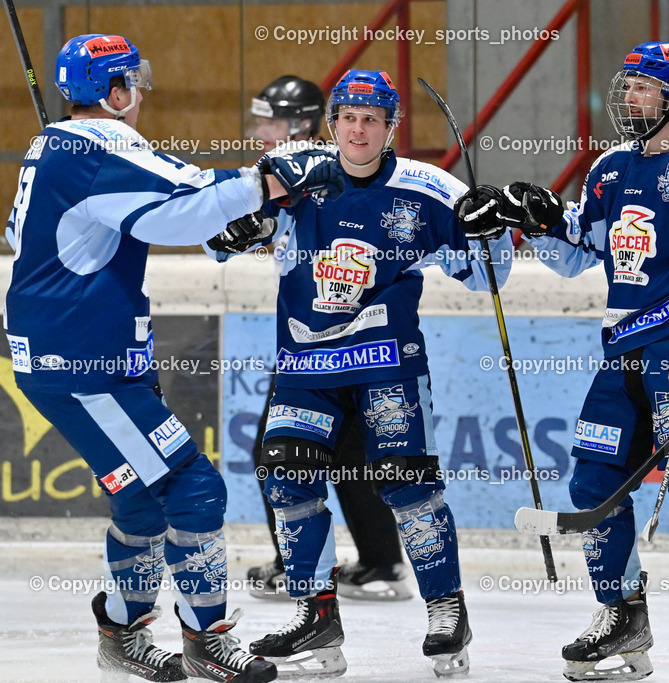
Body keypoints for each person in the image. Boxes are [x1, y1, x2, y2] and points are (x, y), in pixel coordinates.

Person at [4, 33, 341, 683]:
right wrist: (271, 179)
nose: (139, 93)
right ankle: (206, 636)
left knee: (140, 503)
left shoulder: (52, 146)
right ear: (115, 92)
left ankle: (121, 632)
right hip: (85, 361)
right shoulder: (103, 144)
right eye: (131, 80)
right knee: (194, 487)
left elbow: (29, 235)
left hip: (66, 354)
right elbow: (183, 209)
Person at [206, 69, 512, 677]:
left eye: (371, 119)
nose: (358, 129)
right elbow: (218, 236)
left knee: (406, 482)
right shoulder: (297, 170)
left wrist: (490, 231)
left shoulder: (427, 188)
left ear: (391, 126)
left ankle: (447, 610)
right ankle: (315, 615)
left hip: (386, 362)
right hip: (306, 363)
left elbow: (488, 273)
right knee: (286, 477)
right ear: (333, 122)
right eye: (347, 117)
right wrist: (243, 225)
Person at [496, 42, 669, 681]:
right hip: (621, 352)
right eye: (629, 85)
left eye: (644, 87)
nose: (630, 98)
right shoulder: (610, 166)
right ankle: (623, 615)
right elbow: (583, 251)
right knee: (592, 485)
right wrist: (543, 223)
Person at [242, 75, 411, 603]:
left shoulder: (302, 170)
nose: (261, 130)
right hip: (354, 340)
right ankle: (379, 562)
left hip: (323, 341)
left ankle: (306, 565)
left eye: (271, 119)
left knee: (281, 453)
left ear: (301, 122)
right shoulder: (320, 167)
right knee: (350, 454)